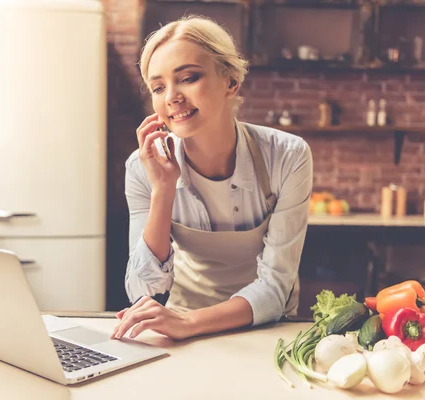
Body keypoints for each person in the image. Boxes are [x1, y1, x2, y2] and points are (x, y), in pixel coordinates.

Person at [110, 16, 313, 341]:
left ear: (231, 81)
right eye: (158, 87)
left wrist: (188, 323)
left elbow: (276, 288)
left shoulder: (286, 155)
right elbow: (141, 289)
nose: (172, 97)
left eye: (188, 78)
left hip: (264, 332)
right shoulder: (142, 167)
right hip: (179, 331)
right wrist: (163, 189)